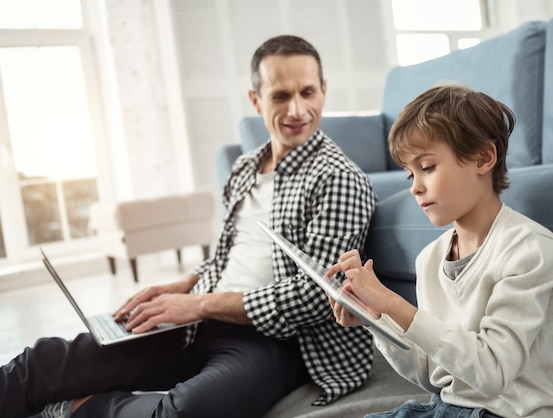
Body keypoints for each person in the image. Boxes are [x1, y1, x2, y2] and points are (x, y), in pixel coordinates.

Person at [1, 34, 377, 418]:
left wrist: (196, 303)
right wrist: (185, 285)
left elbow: (316, 297)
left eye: (308, 92)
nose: (297, 109)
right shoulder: (245, 167)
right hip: (200, 320)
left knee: (190, 411)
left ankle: (80, 408)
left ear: (324, 91)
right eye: (280, 96)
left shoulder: (338, 179)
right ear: (256, 100)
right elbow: (228, 257)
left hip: (276, 342)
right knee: (44, 362)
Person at [327, 84, 553, 417]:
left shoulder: (531, 251)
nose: (415, 186)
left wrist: (392, 303)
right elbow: (433, 376)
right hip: (448, 408)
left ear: (483, 158)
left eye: (427, 167)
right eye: (409, 174)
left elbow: (491, 373)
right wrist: (377, 319)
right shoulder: (430, 259)